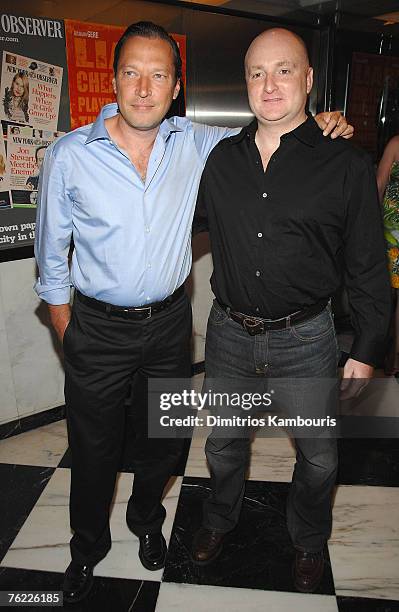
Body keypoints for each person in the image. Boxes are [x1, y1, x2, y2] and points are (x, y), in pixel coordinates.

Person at [34, 21, 352, 604]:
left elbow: (274, 124)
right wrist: (65, 324)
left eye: (159, 75)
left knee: (165, 440)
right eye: (132, 72)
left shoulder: (201, 145)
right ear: (114, 79)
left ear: (177, 87)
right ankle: (86, 547)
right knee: (94, 446)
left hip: (168, 326)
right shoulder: (71, 154)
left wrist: (323, 120)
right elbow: (51, 253)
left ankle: (147, 521)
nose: (144, 88)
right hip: (97, 328)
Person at [191, 28, 391, 594]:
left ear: (308, 80)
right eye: (257, 72)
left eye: (284, 70)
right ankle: (217, 519)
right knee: (224, 445)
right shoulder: (219, 161)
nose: (270, 83)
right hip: (229, 334)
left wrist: (368, 349)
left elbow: (368, 267)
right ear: (246, 84)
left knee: (322, 460)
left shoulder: (346, 165)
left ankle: (308, 539)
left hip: (307, 338)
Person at [377, 136, 399, 375]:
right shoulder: (395, 143)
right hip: (390, 234)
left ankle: (391, 361)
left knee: (386, 298)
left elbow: (379, 185)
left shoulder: (395, 144)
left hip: (389, 232)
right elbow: (379, 185)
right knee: (385, 297)